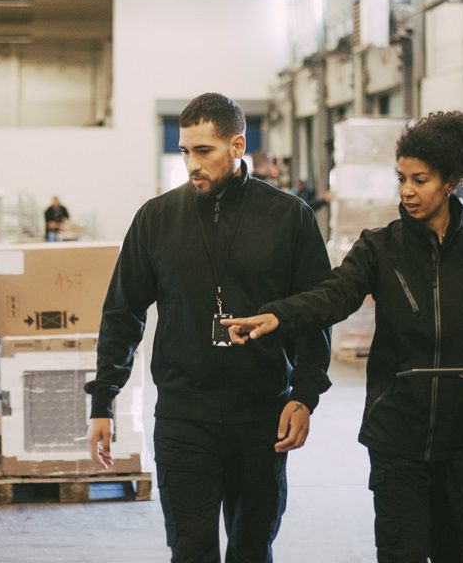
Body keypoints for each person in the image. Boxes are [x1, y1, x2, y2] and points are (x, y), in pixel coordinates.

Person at [223, 111, 463, 563]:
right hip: (396, 439)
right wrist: (278, 316)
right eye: (401, 178)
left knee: (458, 555)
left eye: (420, 180)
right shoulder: (379, 248)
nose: (407, 190)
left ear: (449, 182)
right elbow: (333, 295)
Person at [86, 93, 332, 563]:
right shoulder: (156, 219)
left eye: (204, 152)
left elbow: (313, 315)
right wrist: (104, 398)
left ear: (237, 145)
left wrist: (304, 394)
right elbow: (122, 312)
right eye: (185, 151)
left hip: (261, 417)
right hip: (184, 418)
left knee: (251, 548)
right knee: (191, 549)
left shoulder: (288, 217)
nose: (191, 164)